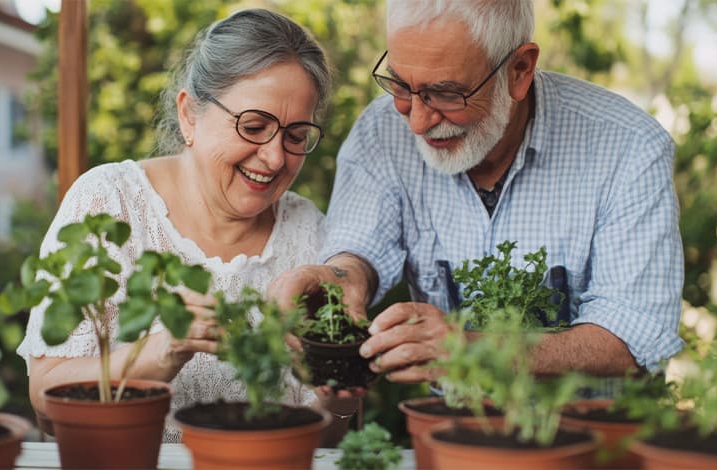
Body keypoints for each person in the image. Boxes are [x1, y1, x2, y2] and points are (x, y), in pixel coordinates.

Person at [268, 0, 684, 389]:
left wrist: (474, 347)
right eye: (399, 85)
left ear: (519, 70)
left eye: (447, 93)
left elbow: (632, 334)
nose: (416, 120)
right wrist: (340, 279)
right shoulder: (381, 132)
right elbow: (360, 249)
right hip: (449, 436)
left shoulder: (628, 146)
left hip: (588, 447)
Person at [16, 8, 356, 443]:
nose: (274, 158)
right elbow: (46, 401)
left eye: (295, 136)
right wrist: (159, 351)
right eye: (254, 126)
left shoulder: (310, 232)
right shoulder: (109, 203)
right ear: (189, 115)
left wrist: (341, 389)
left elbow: (330, 437)